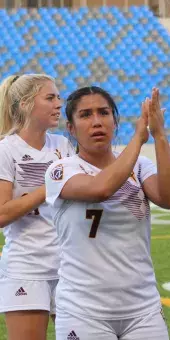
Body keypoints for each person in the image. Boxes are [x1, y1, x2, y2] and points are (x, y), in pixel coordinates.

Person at [45, 86, 170, 340]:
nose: (96, 121)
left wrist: (159, 135)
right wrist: (139, 139)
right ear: (71, 128)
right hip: (83, 310)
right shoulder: (61, 169)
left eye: (104, 113)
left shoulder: (140, 166)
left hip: (143, 308)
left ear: (115, 121)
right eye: (85, 115)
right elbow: (101, 189)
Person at [0, 74, 74, 340]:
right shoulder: (5, 150)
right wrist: (49, 187)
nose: (59, 103)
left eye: (58, 97)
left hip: (70, 266)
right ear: (25, 104)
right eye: (50, 97)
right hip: (27, 267)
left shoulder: (63, 145)